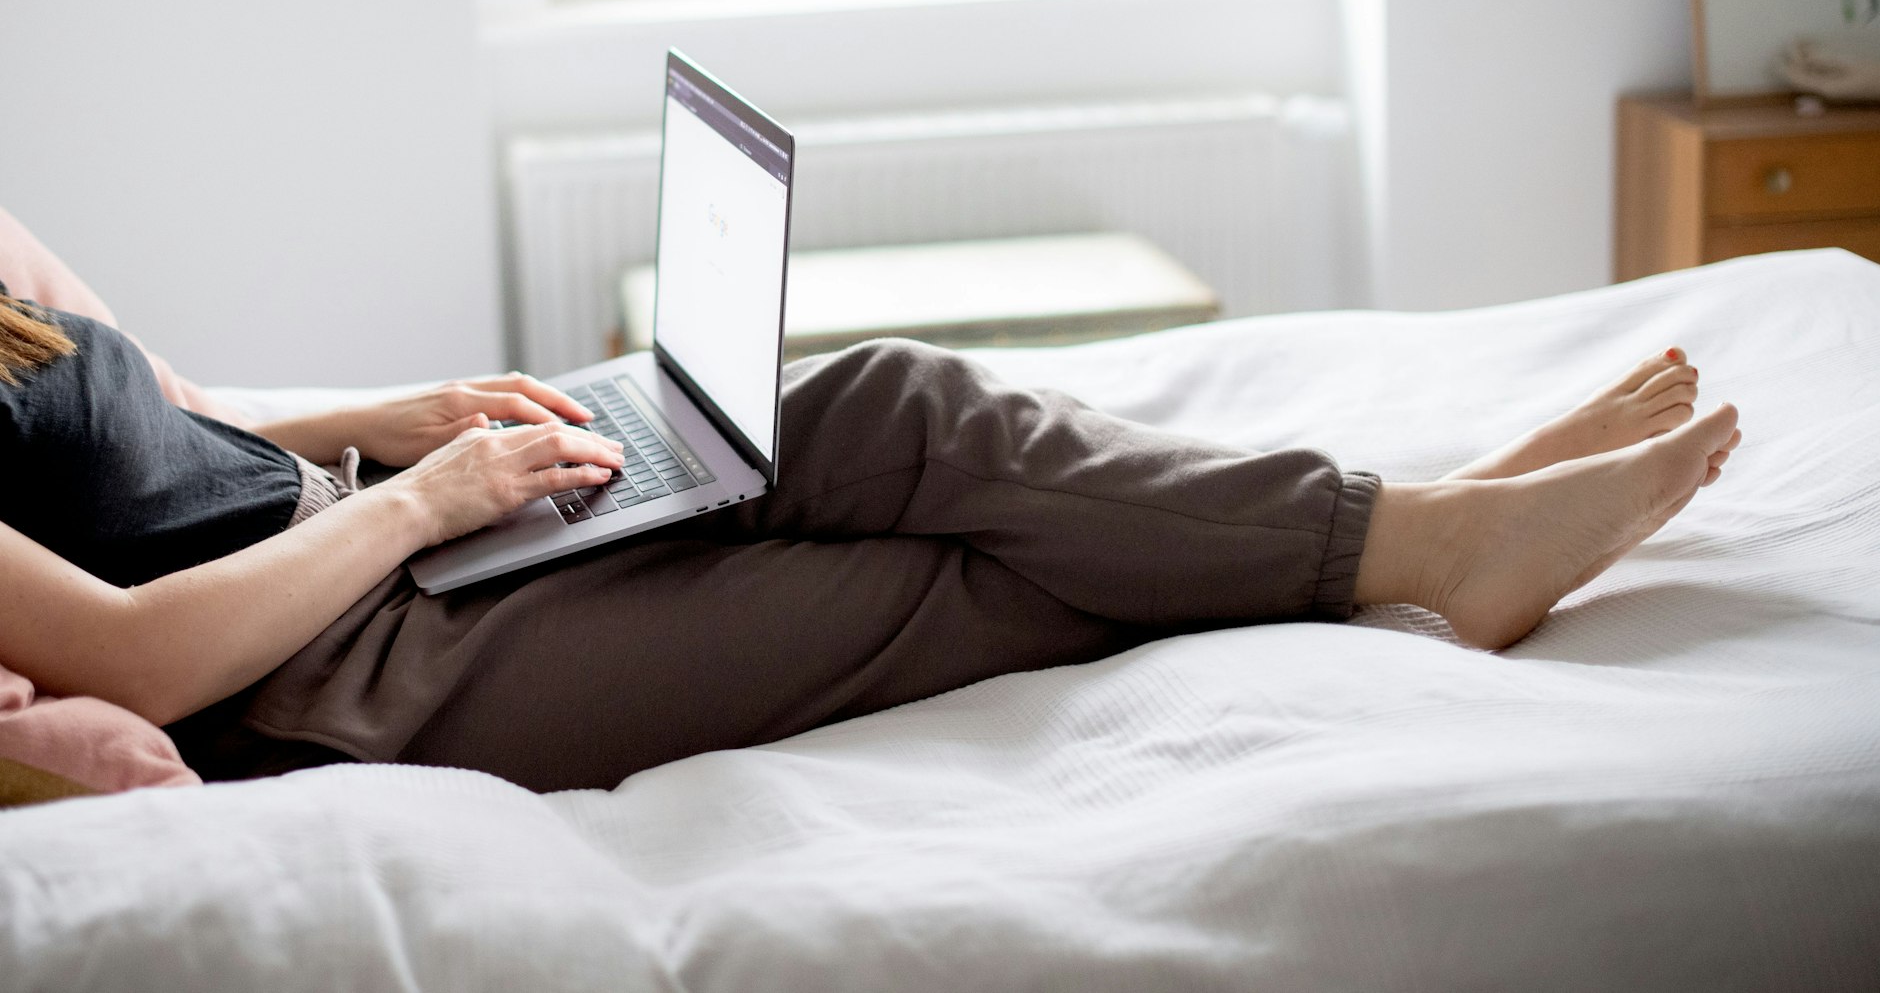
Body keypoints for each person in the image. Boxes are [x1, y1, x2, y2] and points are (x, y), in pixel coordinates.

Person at [0, 211, 1741, 793]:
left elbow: (167, 424)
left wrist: (379, 425)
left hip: (373, 523)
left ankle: (1411, 525)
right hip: (336, 678)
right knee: (930, 589)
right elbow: (133, 657)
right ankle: (1421, 549)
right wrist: (415, 505)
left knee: (891, 398)